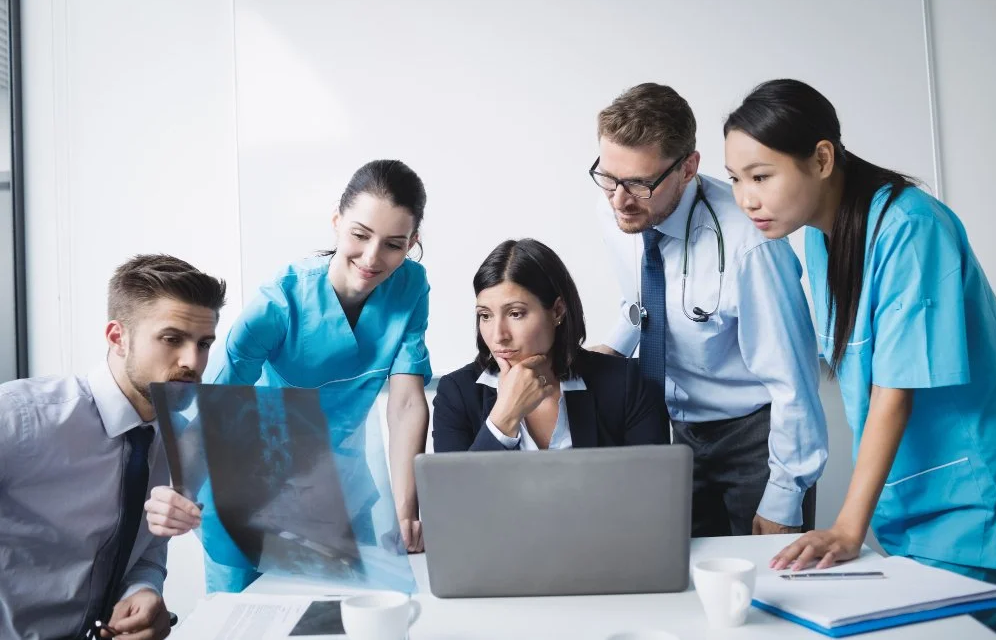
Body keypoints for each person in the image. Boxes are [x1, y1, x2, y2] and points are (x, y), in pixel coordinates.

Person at [723, 80, 996, 620]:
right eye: (736, 179)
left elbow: (892, 391)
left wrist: (847, 527)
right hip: (909, 510)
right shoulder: (821, 238)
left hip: (975, 507)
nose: (745, 198)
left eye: (761, 177)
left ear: (822, 159)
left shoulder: (911, 227)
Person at [145, 159, 433, 593]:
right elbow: (214, 404)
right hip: (250, 488)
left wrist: (404, 509)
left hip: (341, 489)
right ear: (336, 222)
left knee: (356, 613)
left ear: (412, 242)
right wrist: (177, 493)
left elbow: (407, 402)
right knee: (244, 620)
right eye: (359, 235)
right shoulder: (280, 302)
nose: (372, 258)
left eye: (394, 244)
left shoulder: (412, 288)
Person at [591, 83, 827, 537]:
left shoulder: (750, 246)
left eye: (639, 183)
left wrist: (785, 495)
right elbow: (643, 296)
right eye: (608, 177)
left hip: (755, 438)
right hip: (675, 432)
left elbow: (793, 382)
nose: (619, 199)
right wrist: (614, 350)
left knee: (768, 587)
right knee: (683, 581)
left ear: (688, 168)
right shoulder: (617, 211)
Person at [0, 254, 226, 640]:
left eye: (203, 344)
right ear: (117, 338)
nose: (192, 362)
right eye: (172, 339)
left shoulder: (179, 443)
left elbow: (146, 552)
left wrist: (145, 590)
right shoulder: (20, 417)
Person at [433, 238, 669, 452]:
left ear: (557, 310)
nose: (498, 336)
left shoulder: (627, 385)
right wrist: (504, 416)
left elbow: (652, 490)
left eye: (515, 314)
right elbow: (457, 497)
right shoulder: (456, 394)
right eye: (485, 316)